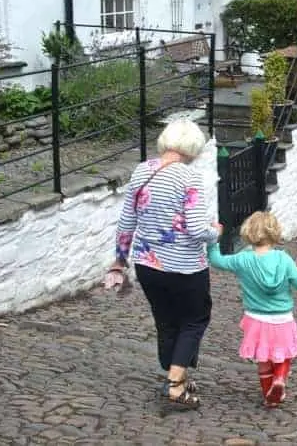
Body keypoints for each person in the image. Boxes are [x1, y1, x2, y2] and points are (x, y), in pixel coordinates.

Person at [105, 118, 217, 409]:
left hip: (147, 264)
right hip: (185, 266)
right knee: (194, 319)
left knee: (166, 321)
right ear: (193, 148)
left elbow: (127, 222)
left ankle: (173, 372)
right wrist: (215, 232)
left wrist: (120, 260)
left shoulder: (142, 171)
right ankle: (176, 386)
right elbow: (195, 229)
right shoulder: (188, 178)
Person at [207, 211, 297, 408]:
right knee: (284, 353)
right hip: (282, 318)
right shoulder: (283, 259)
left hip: (256, 319)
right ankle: (279, 380)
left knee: (263, 358)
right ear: (274, 233)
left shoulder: (243, 260)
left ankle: (268, 395)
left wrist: (213, 240)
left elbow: (217, 261)